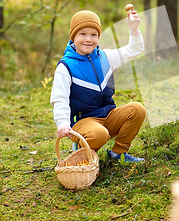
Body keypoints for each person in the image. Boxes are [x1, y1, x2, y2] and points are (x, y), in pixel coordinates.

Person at [50, 9, 146, 162]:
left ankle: (118, 153)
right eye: (83, 34)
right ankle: (82, 146)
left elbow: (134, 50)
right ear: (73, 36)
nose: (88, 39)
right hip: (83, 122)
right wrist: (63, 123)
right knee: (99, 134)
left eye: (93, 35)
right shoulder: (66, 66)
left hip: (108, 116)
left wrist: (134, 29)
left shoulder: (106, 57)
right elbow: (59, 98)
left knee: (137, 110)